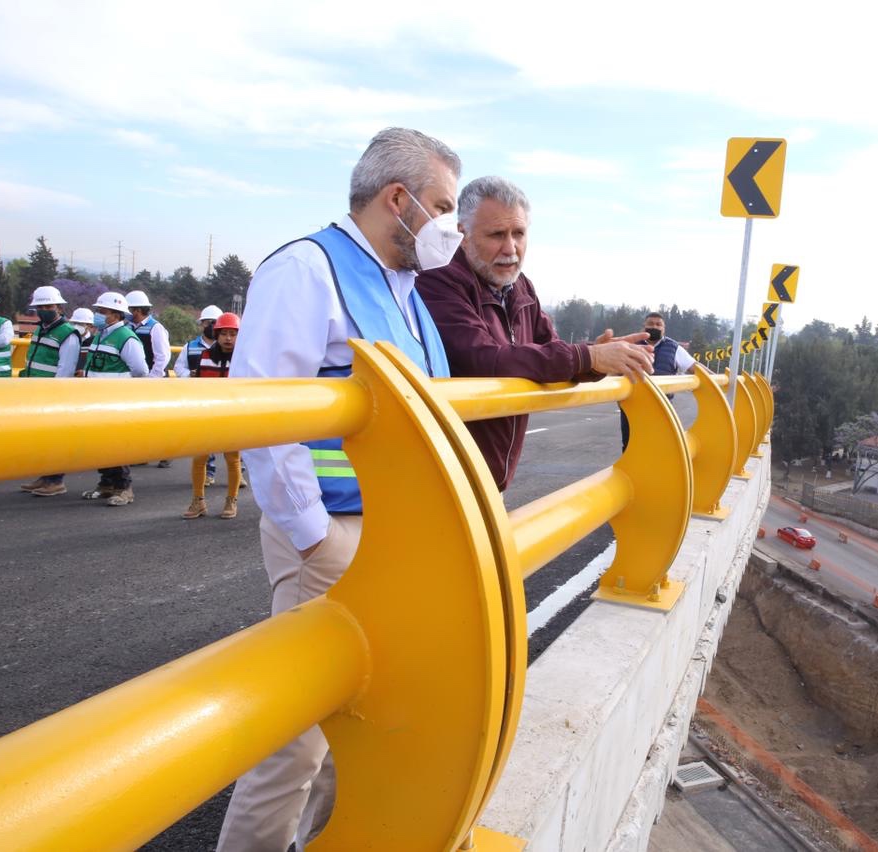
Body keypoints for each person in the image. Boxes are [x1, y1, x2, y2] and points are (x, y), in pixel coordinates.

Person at [220, 127, 461, 852]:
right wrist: (312, 534)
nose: (448, 225)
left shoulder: (404, 290)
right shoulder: (308, 269)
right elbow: (264, 413)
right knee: (295, 741)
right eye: (443, 206)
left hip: (392, 538)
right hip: (334, 533)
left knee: (351, 732)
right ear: (399, 199)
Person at [416, 175, 653, 490]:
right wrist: (588, 356)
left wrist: (596, 358)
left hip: (489, 479)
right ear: (464, 235)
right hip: (444, 476)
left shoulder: (521, 287)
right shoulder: (439, 279)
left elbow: (550, 350)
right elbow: (483, 358)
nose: (510, 248)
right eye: (496, 235)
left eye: (519, 233)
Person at [82, 292, 149, 506]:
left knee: (116, 445)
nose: (98, 315)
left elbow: (140, 370)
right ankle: (107, 484)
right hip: (96, 400)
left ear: (116, 314)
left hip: (114, 401)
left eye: (102, 311)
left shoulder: (126, 338)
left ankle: (124, 488)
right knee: (100, 445)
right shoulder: (101, 335)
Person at [17, 286, 82, 497]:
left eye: (48, 306)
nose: (44, 310)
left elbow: (66, 369)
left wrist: (55, 396)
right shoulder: (40, 329)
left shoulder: (67, 334)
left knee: (55, 439)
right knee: (42, 439)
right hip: (35, 390)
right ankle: (45, 477)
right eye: (41, 307)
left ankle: (55, 481)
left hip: (53, 394)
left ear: (59, 307)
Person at [181, 313, 243, 520]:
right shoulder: (205, 356)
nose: (228, 338)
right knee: (199, 459)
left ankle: (231, 500)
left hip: (233, 416)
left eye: (233, 334)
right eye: (224, 333)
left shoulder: (243, 360)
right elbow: (198, 385)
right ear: (217, 335)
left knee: (232, 459)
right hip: (207, 415)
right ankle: (198, 501)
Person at [619, 311, 702, 451]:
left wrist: (719, 380)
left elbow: (696, 368)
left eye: (658, 324)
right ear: (644, 326)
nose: (654, 327)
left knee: (659, 447)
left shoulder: (674, 348)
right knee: (630, 447)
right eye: (650, 324)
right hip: (632, 407)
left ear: (664, 328)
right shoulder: (630, 345)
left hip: (662, 408)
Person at [175, 305, 224, 485]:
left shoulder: (229, 347)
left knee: (233, 439)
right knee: (205, 440)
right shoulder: (190, 347)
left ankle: (238, 472)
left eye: (215, 322)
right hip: (201, 401)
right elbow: (179, 367)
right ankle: (208, 473)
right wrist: (190, 375)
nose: (211, 326)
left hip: (224, 400)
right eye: (208, 322)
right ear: (201, 324)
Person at [126, 289, 173, 468]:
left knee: (158, 420)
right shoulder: (129, 327)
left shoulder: (155, 328)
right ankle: (142, 453)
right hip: (136, 380)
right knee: (139, 420)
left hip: (154, 380)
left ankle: (166, 453)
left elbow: (163, 356)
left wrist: (152, 378)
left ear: (137, 310)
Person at [67, 307, 96, 375]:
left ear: (89, 325)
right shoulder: (67, 339)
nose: (76, 326)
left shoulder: (94, 342)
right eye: (74, 323)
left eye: (80, 323)